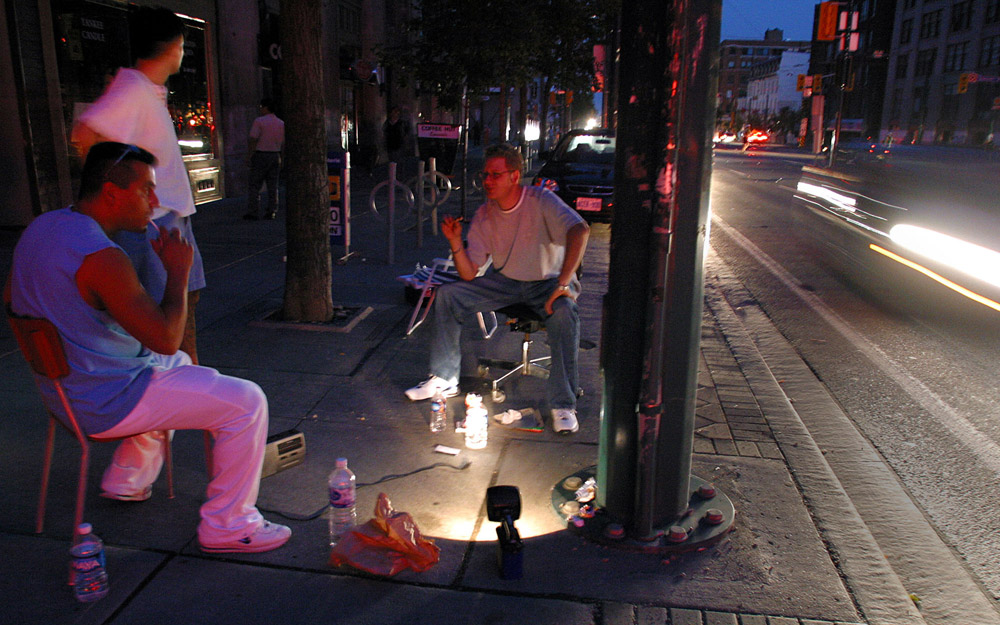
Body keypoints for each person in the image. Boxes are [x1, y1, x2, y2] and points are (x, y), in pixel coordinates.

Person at [8, 142, 290, 553]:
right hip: (104, 400)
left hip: (60, 390)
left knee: (177, 365)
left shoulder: (43, 227)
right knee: (247, 402)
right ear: (111, 193)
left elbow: (10, 300)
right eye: (146, 191)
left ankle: (129, 478)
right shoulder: (103, 257)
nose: (155, 203)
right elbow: (165, 335)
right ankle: (229, 524)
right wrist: (177, 272)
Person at [405, 143, 590, 433]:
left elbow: (580, 229)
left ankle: (563, 404)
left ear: (514, 176)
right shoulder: (485, 214)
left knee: (566, 314)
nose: (488, 182)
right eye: (485, 175)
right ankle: (444, 378)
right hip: (507, 282)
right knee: (450, 294)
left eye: (495, 175)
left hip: (548, 283)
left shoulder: (541, 200)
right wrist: (455, 242)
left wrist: (564, 282)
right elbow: (469, 274)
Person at [71, 6, 205, 364]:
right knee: (165, 322)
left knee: (184, 310)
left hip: (168, 217)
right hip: (154, 222)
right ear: (174, 45)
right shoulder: (132, 88)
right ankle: (177, 396)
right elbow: (85, 133)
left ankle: (193, 390)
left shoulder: (147, 89)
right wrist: (121, 195)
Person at [244, 99, 285, 220]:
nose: (260, 109)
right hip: (275, 155)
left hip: (261, 154)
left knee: (255, 184)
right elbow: (283, 143)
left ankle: (253, 211)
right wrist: (282, 157)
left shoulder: (259, 121)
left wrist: (249, 155)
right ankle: (272, 210)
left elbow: (253, 139)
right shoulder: (281, 123)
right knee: (273, 185)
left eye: (262, 107)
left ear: (266, 108)